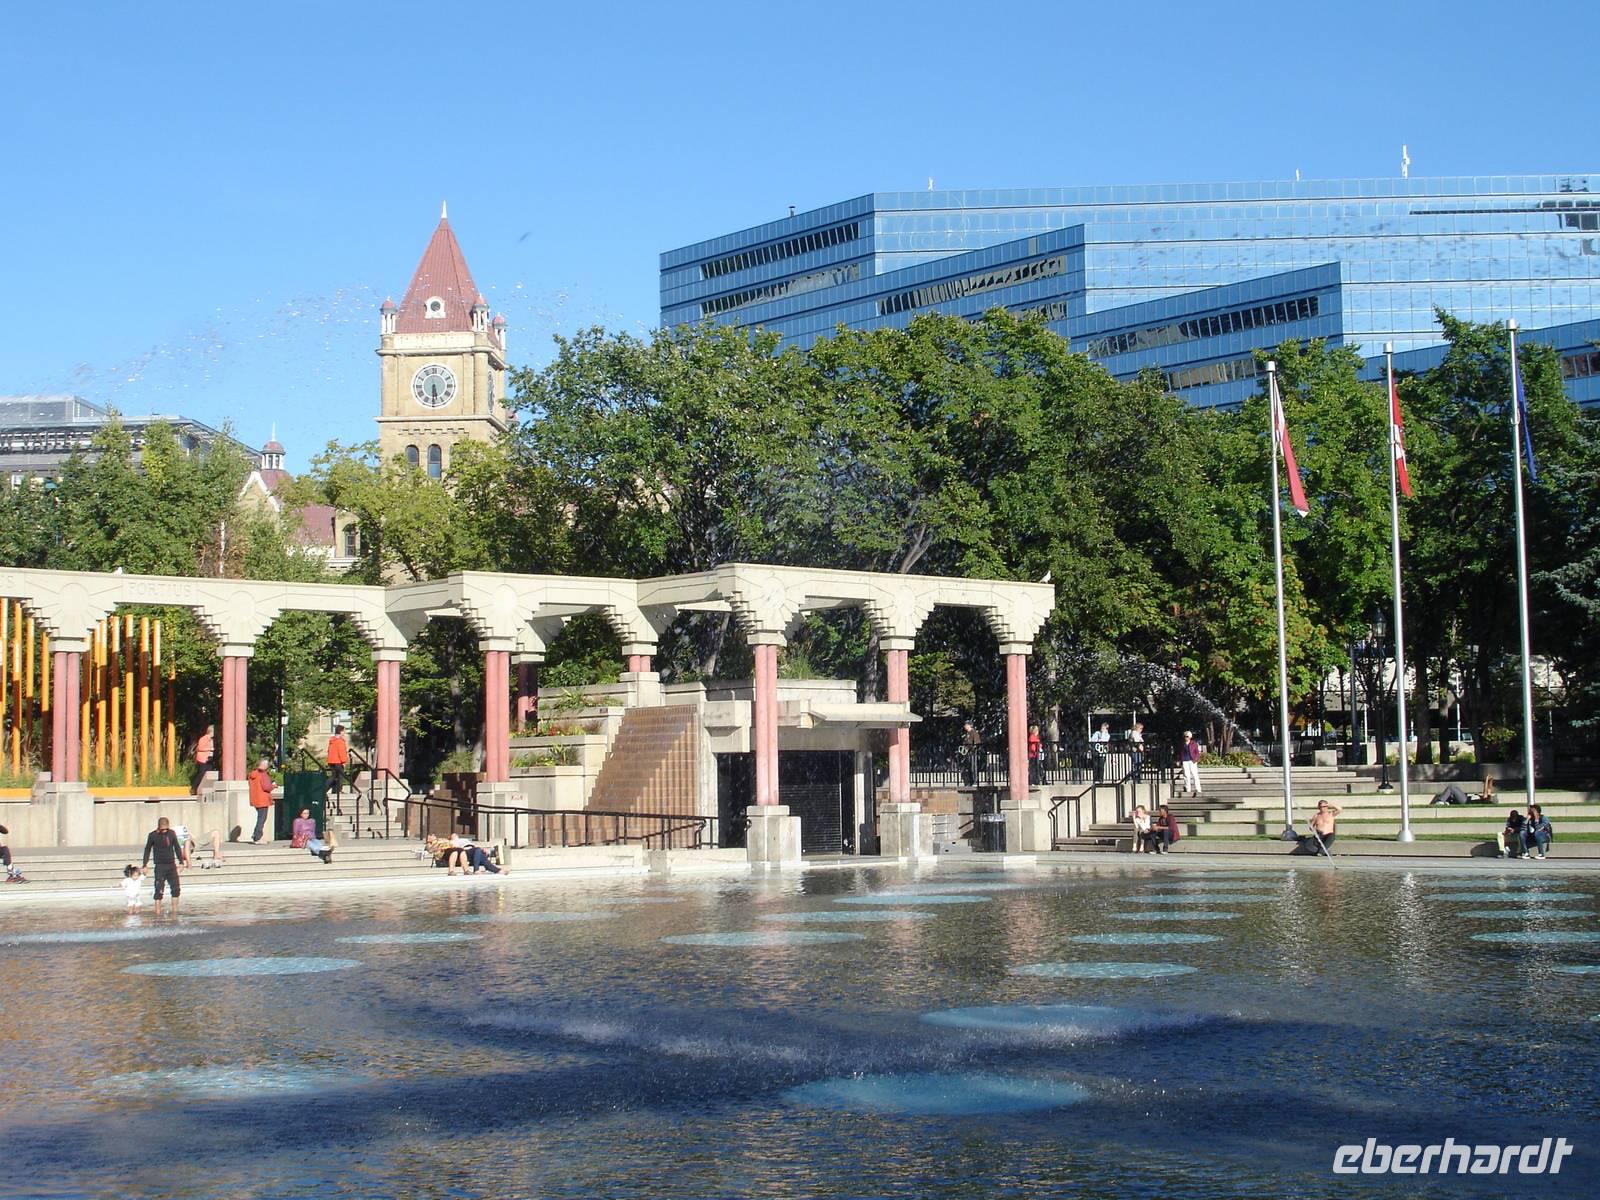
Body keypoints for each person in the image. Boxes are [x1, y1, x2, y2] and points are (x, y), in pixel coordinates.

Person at [141, 816, 190, 916]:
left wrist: (181, 862)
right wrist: (145, 864)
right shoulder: (152, 835)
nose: (164, 831)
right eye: (162, 829)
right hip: (160, 865)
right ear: (158, 827)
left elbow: (176, 847)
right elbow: (147, 850)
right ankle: (158, 912)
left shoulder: (171, 834)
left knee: (176, 889)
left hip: (171, 864)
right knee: (159, 889)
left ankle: (174, 911)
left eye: (166, 829)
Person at [246, 758, 275, 843]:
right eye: (266, 764)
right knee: (262, 818)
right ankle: (257, 837)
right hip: (263, 799)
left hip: (255, 799)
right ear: (264, 765)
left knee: (260, 818)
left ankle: (256, 835)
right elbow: (266, 787)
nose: (267, 766)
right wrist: (273, 786)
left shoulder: (252, 774)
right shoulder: (263, 774)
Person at [326, 724, 349, 801]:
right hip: (338, 761)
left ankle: (330, 790)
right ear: (341, 731)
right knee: (340, 776)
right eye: (343, 731)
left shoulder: (332, 740)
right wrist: (344, 761)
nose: (344, 732)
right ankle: (337, 791)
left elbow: (329, 751)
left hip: (331, 761)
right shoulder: (340, 741)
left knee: (334, 776)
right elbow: (341, 752)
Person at [191, 724, 214, 794]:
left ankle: (204, 788)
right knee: (201, 774)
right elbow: (199, 748)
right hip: (202, 759)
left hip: (208, 759)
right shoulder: (204, 738)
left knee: (208, 774)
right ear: (211, 732)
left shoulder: (211, 740)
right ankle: (194, 788)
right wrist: (209, 749)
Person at [1180, 731, 1203, 796]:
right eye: (1185, 736)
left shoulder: (1193, 743)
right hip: (1185, 761)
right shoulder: (1182, 744)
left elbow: (1197, 752)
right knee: (1186, 775)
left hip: (1192, 760)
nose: (1186, 738)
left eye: (1187, 736)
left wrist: (1195, 760)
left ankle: (1198, 789)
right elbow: (1180, 752)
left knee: (1195, 775)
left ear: (1190, 737)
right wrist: (1180, 760)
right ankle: (1188, 789)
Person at [960, 721, 982, 785]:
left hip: (972, 752)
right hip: (967, 753)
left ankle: (975, 780)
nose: (965, 726)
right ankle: (970, 780)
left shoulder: (974, 733)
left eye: (966, 725)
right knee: (968, 767)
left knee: (973, 766)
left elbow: (977, 743)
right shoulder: (967, 733)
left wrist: (971, 748)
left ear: (969, 725)